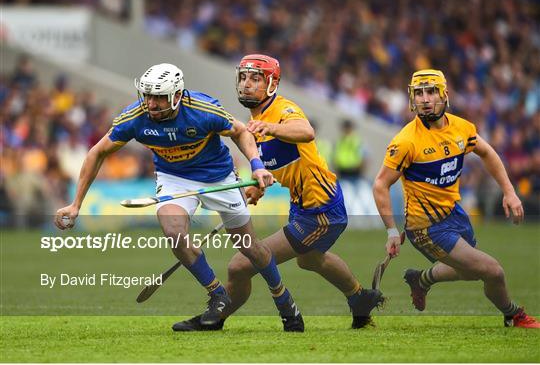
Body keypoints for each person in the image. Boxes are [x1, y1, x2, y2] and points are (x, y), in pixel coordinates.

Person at [54, 63, 303, 332]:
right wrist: (76, 203)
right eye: (147, 95)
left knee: (249, 247)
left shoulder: (202, 110)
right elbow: (96, 153)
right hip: (174, 178)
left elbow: (240, 131)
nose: (150, 103)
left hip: (218, 177)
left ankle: (284, 299)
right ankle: (217, 294)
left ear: (176, 95)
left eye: (158, 97)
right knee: (174, 232)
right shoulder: (135, 118)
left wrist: (256, 164)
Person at [175, 54, 384, 331]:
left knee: (240, 264)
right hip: (302, 205)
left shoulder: (282, 110)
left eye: (255, 78)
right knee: (309, 260)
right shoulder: (255, 119)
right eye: (243, 77)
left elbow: (305, 131)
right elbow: (277, 163)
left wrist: (271, 127)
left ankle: (214, 318)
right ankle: (360, 298)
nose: (246, 84)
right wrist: (257, 187)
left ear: (272, 83)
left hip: (321, 209)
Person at [372, 69, 540, 329]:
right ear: (412, 98)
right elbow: (380, 184)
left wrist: (509, 191)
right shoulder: (406, 141)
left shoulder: (461, 128)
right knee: (492, 271)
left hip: (455, 214)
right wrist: (392, 230)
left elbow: (487, 153)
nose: (425, 99)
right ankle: (513, 315)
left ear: (444, 95)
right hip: (425, 227)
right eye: (419, 93)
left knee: (469, 271)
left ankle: (422, 280)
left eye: (431, 92)